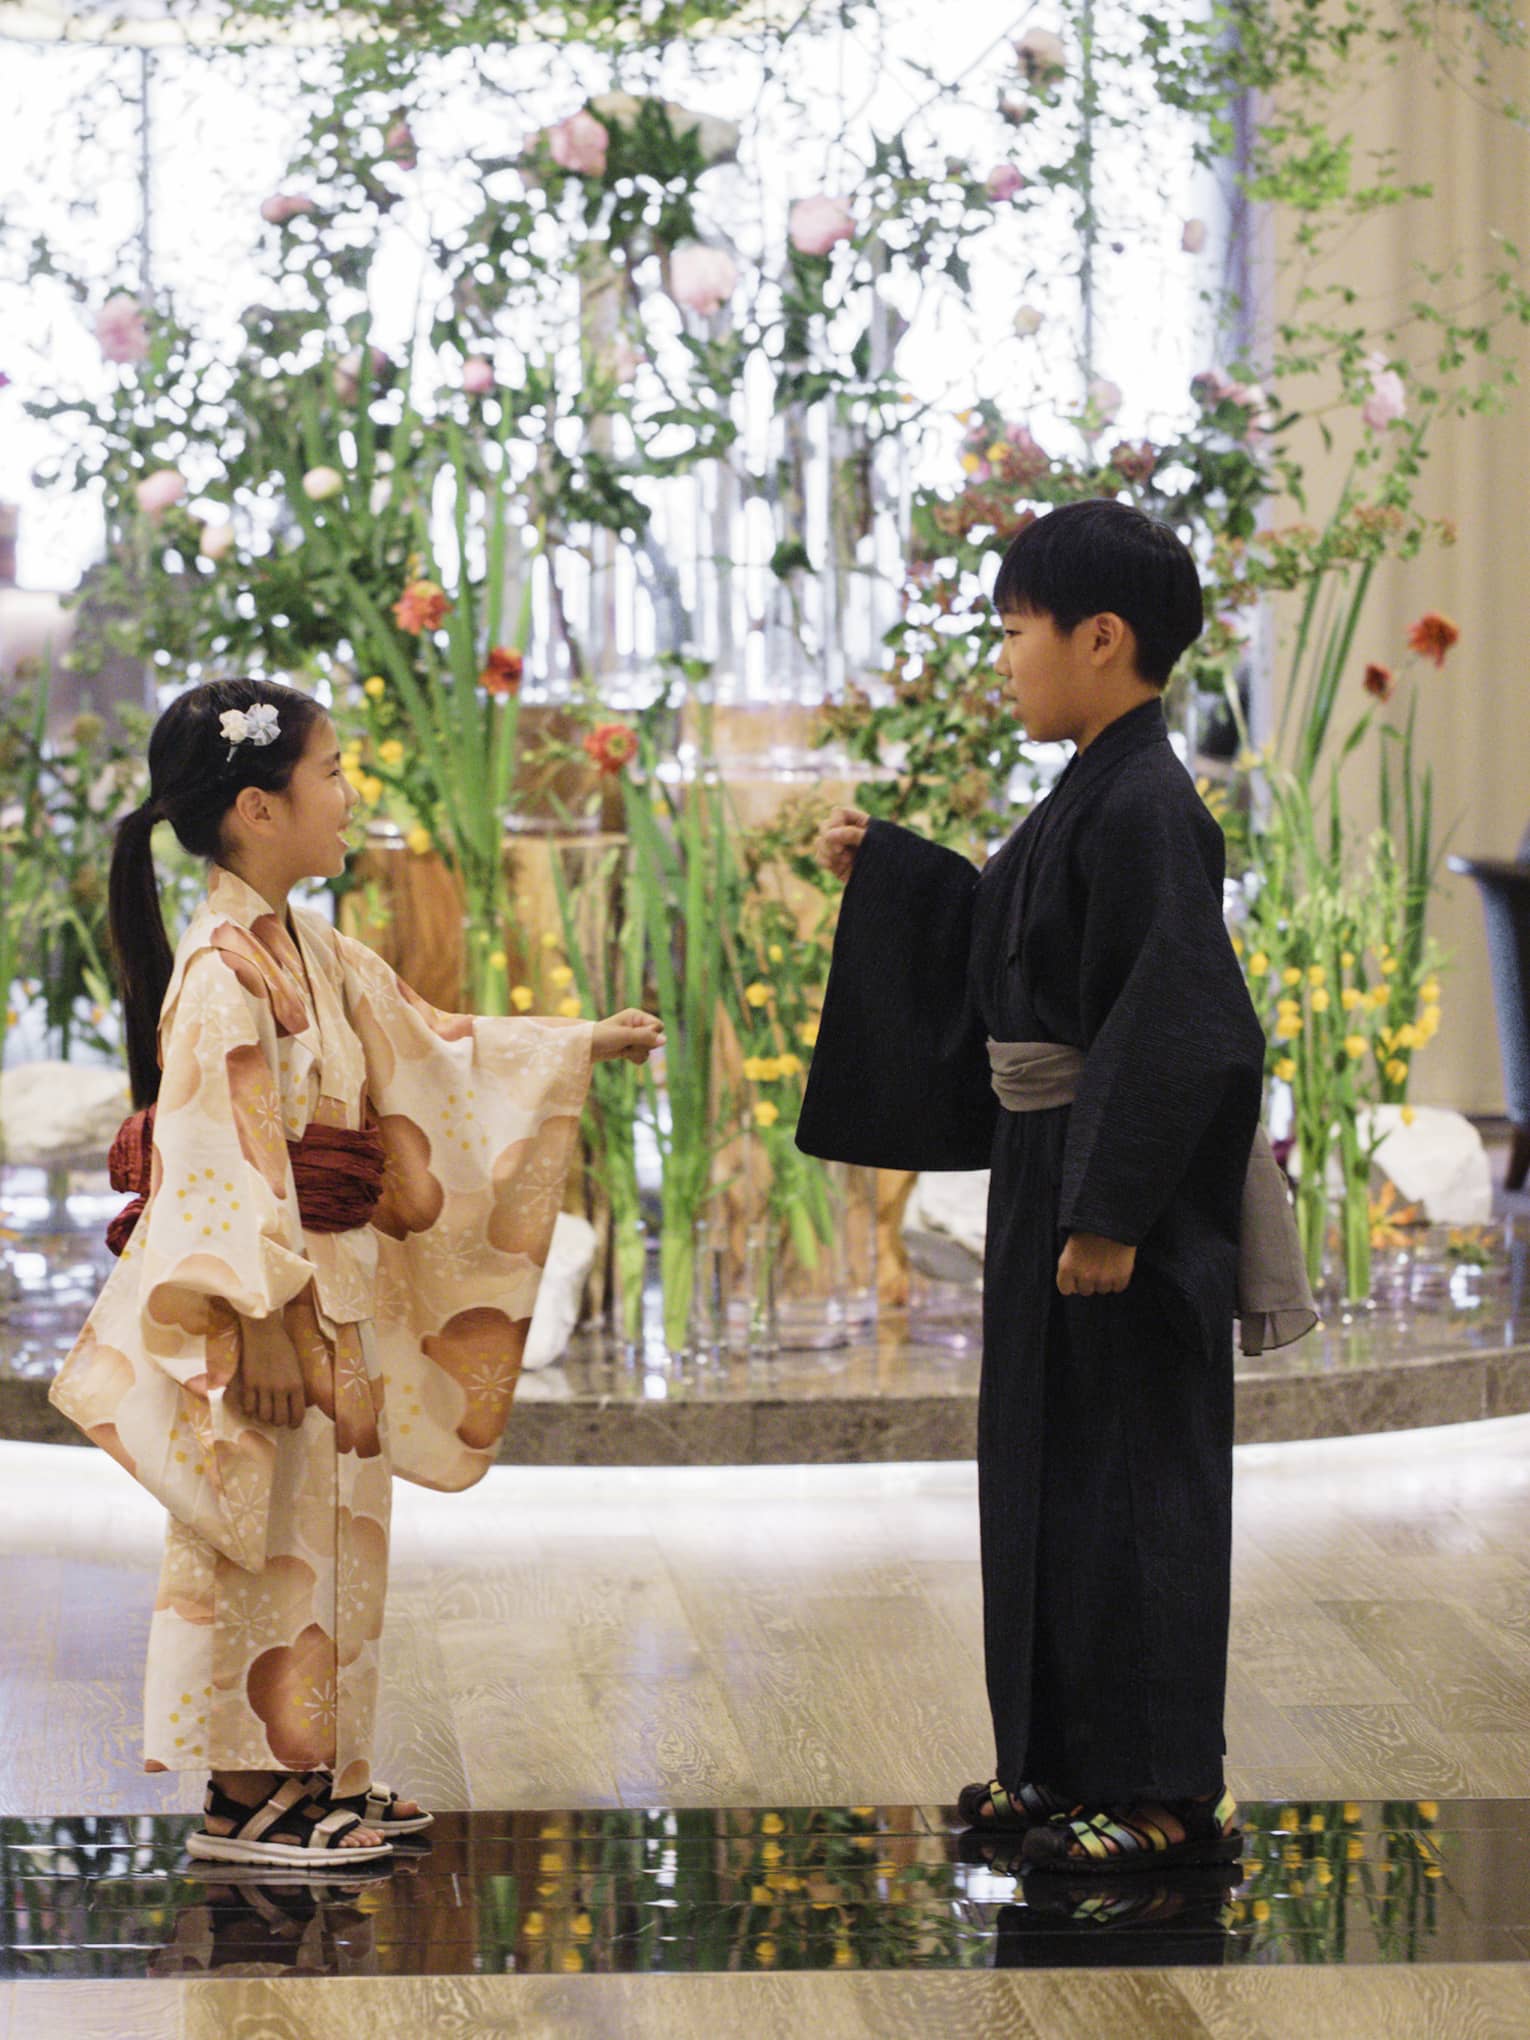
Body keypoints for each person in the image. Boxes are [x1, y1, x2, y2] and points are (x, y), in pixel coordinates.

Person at [50, 678, 664, 1873]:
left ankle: (316, 1765)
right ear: (258, 809)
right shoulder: (223, 971)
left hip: (332, 1298)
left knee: (330, 1537)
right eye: (331, 773)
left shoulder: (306, 949)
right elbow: (216, 1162)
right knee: (260, 1537)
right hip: (271, 1308)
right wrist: (263, 1326)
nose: (348, 795)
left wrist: (575, 1046)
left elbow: (426, 1043)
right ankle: (245, 1793)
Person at [801, 499, 1283, 1874]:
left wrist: (1110, 1213)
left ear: (1101, 637)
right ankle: (1057, 1768)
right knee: (1047, 1476)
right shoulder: (1093, 786)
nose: (1004, 658)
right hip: (1050, 1172)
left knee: (1132, 1485)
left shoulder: (1148, 803)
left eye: (1016, 631)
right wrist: (897, 872)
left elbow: (1181, 1019)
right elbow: (1019, 936)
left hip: (1117, 1196)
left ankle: (1161, 1793)